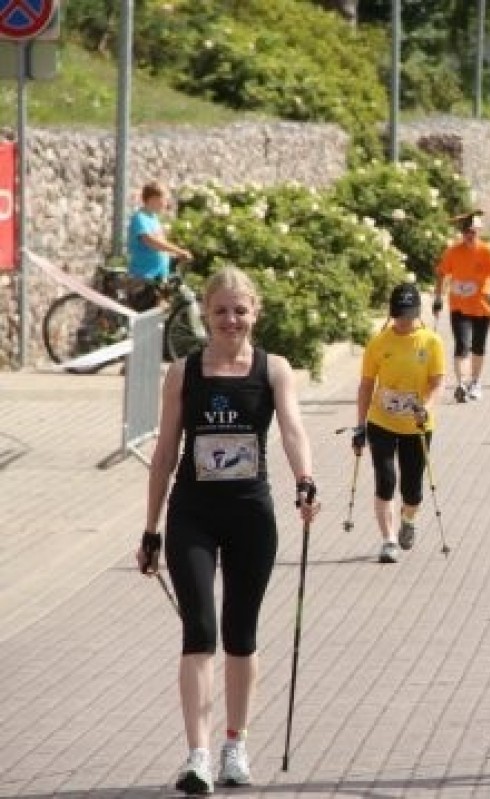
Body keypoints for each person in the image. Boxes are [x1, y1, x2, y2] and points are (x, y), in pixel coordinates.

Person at [136, 266, 319, 795]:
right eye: (220, 311)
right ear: (206, 314)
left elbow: (293, 430)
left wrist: (305, 480)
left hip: (250, 515)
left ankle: (234, 746)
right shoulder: (184, 373)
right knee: (199, 630)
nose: (230, 320)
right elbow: (164, 453)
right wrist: (150, 529)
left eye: (240, 310)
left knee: (241, 634)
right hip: (192, 513)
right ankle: (197, 755)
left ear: (255, 312)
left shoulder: (273, 369)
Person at [352, 283, 446, 562]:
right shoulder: (378, 343)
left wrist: (427, 408)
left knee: (412, 490)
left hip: (416, 425)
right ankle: (389, 540)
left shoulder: (431, 342)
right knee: (386, 479)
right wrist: (360, 425)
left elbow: (438, 383)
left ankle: (408, 519)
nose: (403, 321)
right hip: (381, 421)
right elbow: (366, 386)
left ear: (417, 312)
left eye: (408, 315)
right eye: (398, 315)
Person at [432, 211, 490, 403]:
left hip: (482, 306)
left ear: (478, 232)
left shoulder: (488, 252)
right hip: (459, 306)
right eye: (466, 232)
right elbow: (441, 273)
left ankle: (475, 382)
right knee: (462, 344)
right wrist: (438, 297)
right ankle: (461, 384)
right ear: (462, 233)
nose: (469, 235)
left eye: (473, 232)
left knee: (478, 346)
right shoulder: (453, 252)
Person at [128, 181, 193, 309]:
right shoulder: (139, 218)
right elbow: (151, 242)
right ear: (153, 199)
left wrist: (174, 255)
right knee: (146, 316)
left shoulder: (154, 219)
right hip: (145, 279)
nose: (165, 203)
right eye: (164, 199)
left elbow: (160, 247)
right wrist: (179, 251)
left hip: (159, 279)